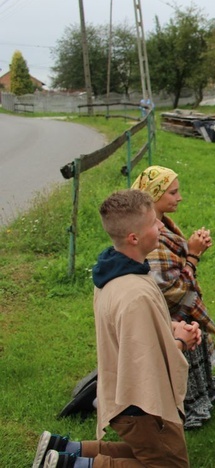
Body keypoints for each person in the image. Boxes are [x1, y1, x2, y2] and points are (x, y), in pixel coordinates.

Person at [33, 189, 200, 468]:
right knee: (168, 464)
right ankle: (71, 466)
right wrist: (181, 341)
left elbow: (130, 330)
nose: (160, 225)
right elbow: (146, 363)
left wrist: (168, 326)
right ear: (134, 237)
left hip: (122, 395)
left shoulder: (117, 270)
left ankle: (63, 449)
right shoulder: (136, 295)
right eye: (152, 223)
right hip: (142, 404)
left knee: (149, 453)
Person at [131, 165, 215, 429]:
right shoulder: (151, 239)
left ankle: (199, 394)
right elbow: (170, 291)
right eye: (172, 192)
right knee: (179, 358)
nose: (179, 197)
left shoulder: (161, 226)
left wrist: (193, 247)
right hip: (172, 320)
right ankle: (183, 406)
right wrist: (193, 254)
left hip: (181, 315)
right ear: (152, 196)